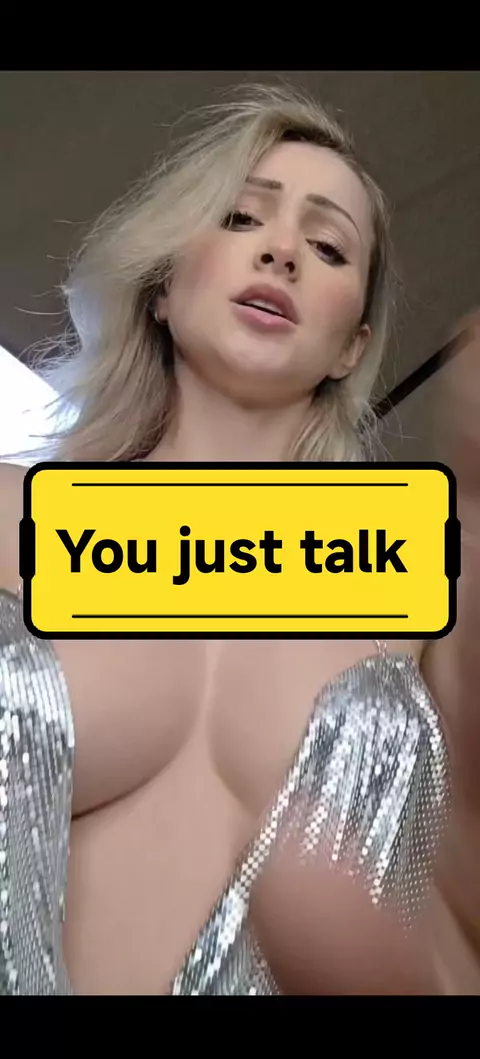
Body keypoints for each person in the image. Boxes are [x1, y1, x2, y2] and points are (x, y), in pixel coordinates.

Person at [0, 83, 478, 995]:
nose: (282, 250)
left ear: (353, 346)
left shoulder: (436, 577)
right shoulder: (10, 516)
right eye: (239, 217)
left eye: (329, 247)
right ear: (163, 286)